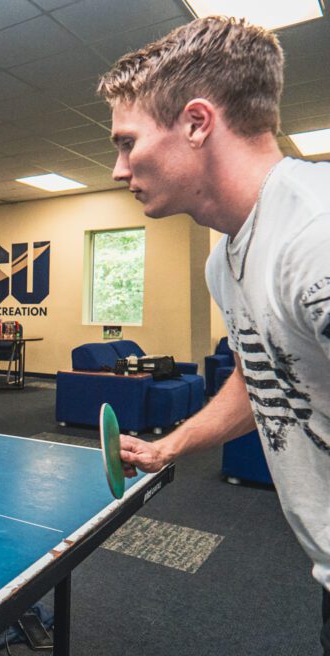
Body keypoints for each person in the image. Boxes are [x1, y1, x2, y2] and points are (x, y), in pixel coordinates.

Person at [98, 16, 330, 652]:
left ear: (197, 123)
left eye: (126, 142)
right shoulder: (225, 258)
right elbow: (265, 373)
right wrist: (170, 447)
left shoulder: (316, 239)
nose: (119, 169)